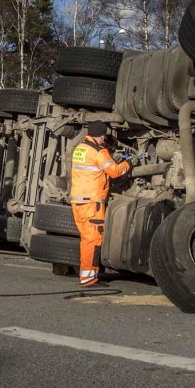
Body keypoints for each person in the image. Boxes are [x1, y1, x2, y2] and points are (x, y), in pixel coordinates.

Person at [69, 121, 133, 287]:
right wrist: (130, 163)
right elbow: (115, 171)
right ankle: (89, 277)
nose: (104, 138)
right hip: (92, 203)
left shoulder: (80, 148)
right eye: (104, 135)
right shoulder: (99, 151)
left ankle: (87, 273)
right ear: (101, 135)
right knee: (93, 239)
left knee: (86, 239)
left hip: (78, 201)